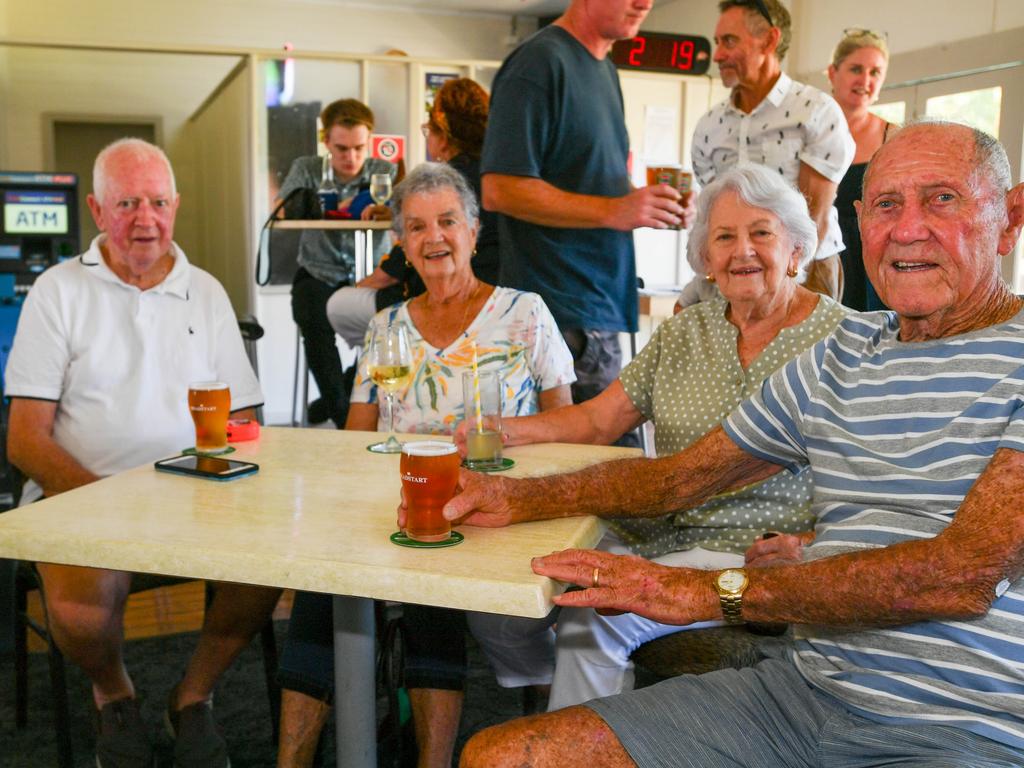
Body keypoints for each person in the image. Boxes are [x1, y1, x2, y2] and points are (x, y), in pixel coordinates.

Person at [448, 120, 1024, 768]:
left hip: (965, 730)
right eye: (888, 204)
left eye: (941, 199)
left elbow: (964, 573)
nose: (908, 227)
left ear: (1010, 219)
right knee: (499, 756)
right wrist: (516, 496)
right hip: (799, 699)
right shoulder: (843, 355)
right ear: (859, 221)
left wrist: (701, 591)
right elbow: (675, 479)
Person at [454, 164, 849, 711]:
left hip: (756, 556)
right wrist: (505, 430)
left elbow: (875, 476)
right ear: (706, 260)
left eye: (762, 232)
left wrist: (813, 548)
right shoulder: (684, 331)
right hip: (656, 537)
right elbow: (598, 420)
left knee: (592, 620)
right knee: (513, 569)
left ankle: (580, 742)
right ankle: (555, 696)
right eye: (725, 237)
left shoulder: (843, 338)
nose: (743, 251)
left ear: (797, 250)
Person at [276, 162, 574, 768]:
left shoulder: (525, 312)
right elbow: (353, 442)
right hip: (397, 508)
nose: (434, 237)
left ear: (473, 229)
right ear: (402, 244)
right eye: (416, 226)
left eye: (447, 221)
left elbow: (566, 429)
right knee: (319, 585)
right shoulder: (385, 327)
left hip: (493, 509)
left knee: (429, 578)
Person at [4, 138, 281, 768]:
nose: (146, 218)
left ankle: (193, 696)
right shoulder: (57, 290)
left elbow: (244, 422)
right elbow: (24, 439)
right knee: (79, 601)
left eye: (158, 201)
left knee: (268, 568)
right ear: (99, 211)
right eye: (128, 202)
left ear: (176, 206)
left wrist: (224, 471)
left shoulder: (205, 291)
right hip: (82, 495)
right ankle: (115, 692)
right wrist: (110, 502)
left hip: (194, 495)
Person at [481, 0, 692, 413]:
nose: (644, 3)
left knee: (600, 465)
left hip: (598, 306)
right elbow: (500, 188)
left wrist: (647, 204)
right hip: (557, 312)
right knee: (571, 467)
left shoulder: (603, 68)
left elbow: (593, 179)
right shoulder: (538, 64)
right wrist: (615, 211)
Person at [682, 0, 854, 306]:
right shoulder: (709, 126)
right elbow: (711, 221)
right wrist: (699, 285)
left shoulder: (814, 111)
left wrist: (776, 301)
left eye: (730, 41)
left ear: (769, 40)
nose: (718, 55)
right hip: (734, 274)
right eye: (717, 42)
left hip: (807, 271)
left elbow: (815, 220)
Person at [326, 77, 498, 348]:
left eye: (429, 130)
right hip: (494, 297)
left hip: (436, 296)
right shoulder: (500, 178)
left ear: (443, 136)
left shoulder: (439, 184)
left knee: (339, 304)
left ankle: (387, 362)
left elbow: (397, 267)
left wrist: (364, 285)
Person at [278, 98, 398, 428]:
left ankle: (345, 391)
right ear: (326, 142)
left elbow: (403, 215)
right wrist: (324, 206)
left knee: (391, 327)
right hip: (319, 272)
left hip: (371, 275)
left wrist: (389, 212)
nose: (351, 158)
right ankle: (343, 417)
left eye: (359, 148)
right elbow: (282, 207)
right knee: (312, 318)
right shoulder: (307, 168)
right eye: (342, 148)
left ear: (369, 141)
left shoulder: (383, 171)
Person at [829, 28, 894, 311]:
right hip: (818, 257)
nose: (865, 80)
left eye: (875, 72)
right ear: (833, 73)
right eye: (856, 68)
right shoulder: (805, 131)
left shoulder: (893, 135)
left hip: (872, 259)